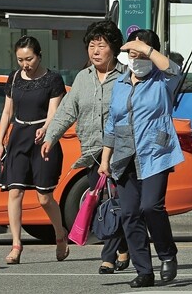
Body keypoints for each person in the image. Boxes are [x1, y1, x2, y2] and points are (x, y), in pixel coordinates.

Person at [41, 21, 130, 274]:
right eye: (91, 46)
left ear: (114, 48)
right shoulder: (83, 78)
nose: (95, 51)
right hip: (92, 153)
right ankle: (122, 245)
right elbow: (67, 111)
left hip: (122, 153)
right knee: (105, 204)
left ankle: (108, 257)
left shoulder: (126, 77)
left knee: (119, 201)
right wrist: (50, 137)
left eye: (101, 45)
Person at [98, 29, 182, 288]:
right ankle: (144, 270)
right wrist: (105, 160)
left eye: (140, 53)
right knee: (130, 213)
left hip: (156, 153)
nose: (135, 58)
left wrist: (145, 48)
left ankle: (167, 255)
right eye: (130, 53)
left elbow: (176, 70)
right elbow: (112, 123)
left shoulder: (162, 80)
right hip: (124, 156)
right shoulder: (121, 84)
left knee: (150, 207)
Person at [0, 35, 69, 265]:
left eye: (29, 58)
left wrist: (46, 128)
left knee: (44, 197)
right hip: (18, 137)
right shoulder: (15, 78)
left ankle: (60, 234)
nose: (25, 64)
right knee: (14, 191)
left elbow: (54, 112)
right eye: (20, 59)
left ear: (39, 55)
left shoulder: (53, 80)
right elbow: (7, 112)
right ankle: (16, 244)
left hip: (43, 139)